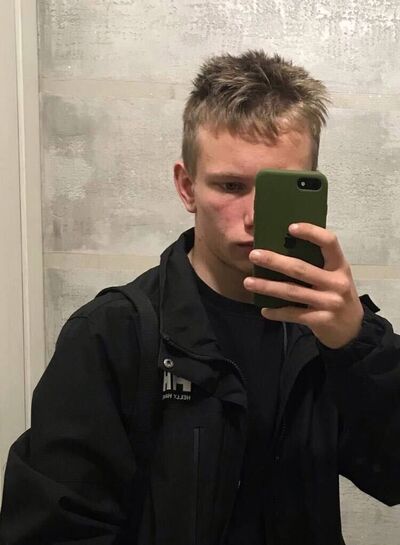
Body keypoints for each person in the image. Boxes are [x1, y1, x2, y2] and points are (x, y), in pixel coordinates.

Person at [1, 50, 399, 545]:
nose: (253, 216)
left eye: (277, 188)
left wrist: (357, 345)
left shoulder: (328, 331)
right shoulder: (113, 335)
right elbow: (53, 531)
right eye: (230, 186)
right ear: (187, 187)